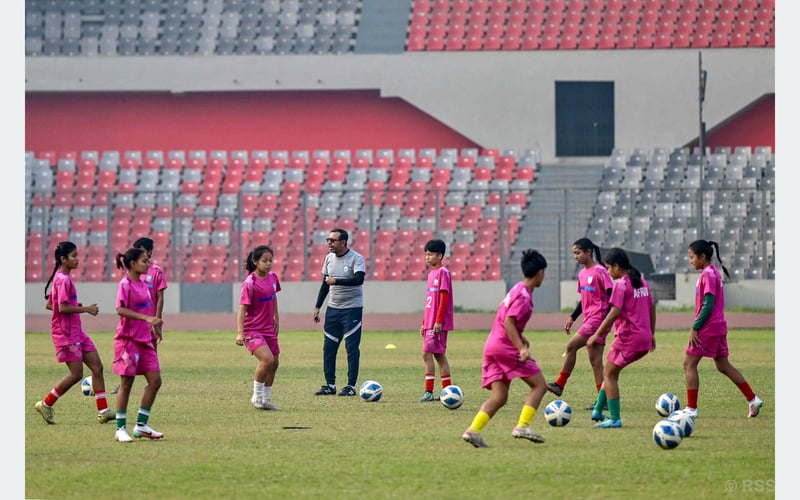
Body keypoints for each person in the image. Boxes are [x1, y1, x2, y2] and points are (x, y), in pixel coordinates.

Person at [462, 249, 549, 448]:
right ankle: (522, 426)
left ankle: (473, 431)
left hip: (492, 345)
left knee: (499, 396)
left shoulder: (517, 288)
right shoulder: (525, 296)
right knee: (540, 385)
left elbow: (507, 320)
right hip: (505, 347)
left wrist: (521, 336)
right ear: (540, 273)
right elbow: (509, 323)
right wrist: (521, 348)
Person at [34, 241, 115, 425]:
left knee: (97, 367)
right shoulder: (63, 279)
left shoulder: (61, 278)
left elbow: (51, 305)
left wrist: (73, 307)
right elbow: (61, 308)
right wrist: (85, 308)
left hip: (77, 331)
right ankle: (45, 403)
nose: (78, 259)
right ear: (63, 259)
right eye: (74, 256)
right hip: (65, 333)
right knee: (76, 374)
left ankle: (103, 411)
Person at [680, 239, 763, 418]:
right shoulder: (712, 272)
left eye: (692, 257)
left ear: (702, 256)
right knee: (723, 365)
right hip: (718, 325)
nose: (690, 260)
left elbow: (708, 304)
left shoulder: (708, 275)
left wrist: (695, 327)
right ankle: (752, 399)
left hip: (708, 327)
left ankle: (691, 409)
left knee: (689, 363)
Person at [587, 247, 656, 428]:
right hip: (644, 338)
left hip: (628, 338)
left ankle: (615, 418)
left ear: (617, 267)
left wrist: (596, 334)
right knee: (611, 372)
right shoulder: (641, 282)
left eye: (608, 268)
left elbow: (613, 313)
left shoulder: (621, 284)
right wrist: (652, 334)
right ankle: (598, 410)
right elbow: (651, 308)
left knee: (609, 375)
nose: (608, 272)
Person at [547, 238, 613, 410]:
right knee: (595, 362)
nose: (575, 256)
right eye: (574, 253)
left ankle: (559, 385)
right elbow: (583, 300)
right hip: (589, 319)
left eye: (578, 253)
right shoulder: (582, 274)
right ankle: (603, 401)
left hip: (598, 320)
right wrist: (572, 317)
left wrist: (605, 323)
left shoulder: (600, 271)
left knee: (571, 347)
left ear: (588, 252)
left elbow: (613, 297)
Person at [112, 247, 165, 442]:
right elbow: (120, 309)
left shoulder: (144, 283)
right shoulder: (125, 284)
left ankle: (141, 426)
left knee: (155, 381)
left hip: (145, 341)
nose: (148, 263)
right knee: (126, 384)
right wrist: (146, 318)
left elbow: (149, 309)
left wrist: (154, 327)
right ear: (133, 264)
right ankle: (120, 429)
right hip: (128, 342)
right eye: (144, 261)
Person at [312, 228, 366, 396]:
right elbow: (325, 284)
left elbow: (359, 279)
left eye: (333, 240)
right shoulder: (328, 258)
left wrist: (336, 281)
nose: (329, 242)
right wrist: (317, 306)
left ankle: (350, 386)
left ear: (343, 242)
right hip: (333, 309)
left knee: (351, 348)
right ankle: (330, 385)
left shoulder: (356, 258)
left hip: (352, 309)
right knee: (328, 348)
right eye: (328, 240)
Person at [236, 245, 282, 411]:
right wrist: (240, 333)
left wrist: (276, 316)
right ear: (255, 262)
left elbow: (273, 296)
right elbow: (242, 309)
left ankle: (265, 400)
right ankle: (256, 396)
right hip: (252, 330)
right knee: (267, 360)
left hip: (268, 328)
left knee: (275, 363)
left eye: (271, 260)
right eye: (265, 261)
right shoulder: (250, 284)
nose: (269, 264)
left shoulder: (272, 277)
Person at [419, 239, 455, 402]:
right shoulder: (431, 274)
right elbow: (429, 301)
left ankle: (429, 391)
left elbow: (443, 297)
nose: (427, 257)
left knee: (427, 353)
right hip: (429, 323)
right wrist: (424, 322)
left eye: (431, 254)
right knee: (438, 355)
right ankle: (447, 391)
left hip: (436, 323)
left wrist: (438, 321)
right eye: (426, 254)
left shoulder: (443, 273)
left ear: (440, 256)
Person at [133, 237, 167, 349]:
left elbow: (160, 297)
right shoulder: (133, 271)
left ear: (149, 252)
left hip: (151, 320)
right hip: (135, 320)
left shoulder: (157, 272)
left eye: (141, 251)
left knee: (151, 353)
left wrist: (156, 321)